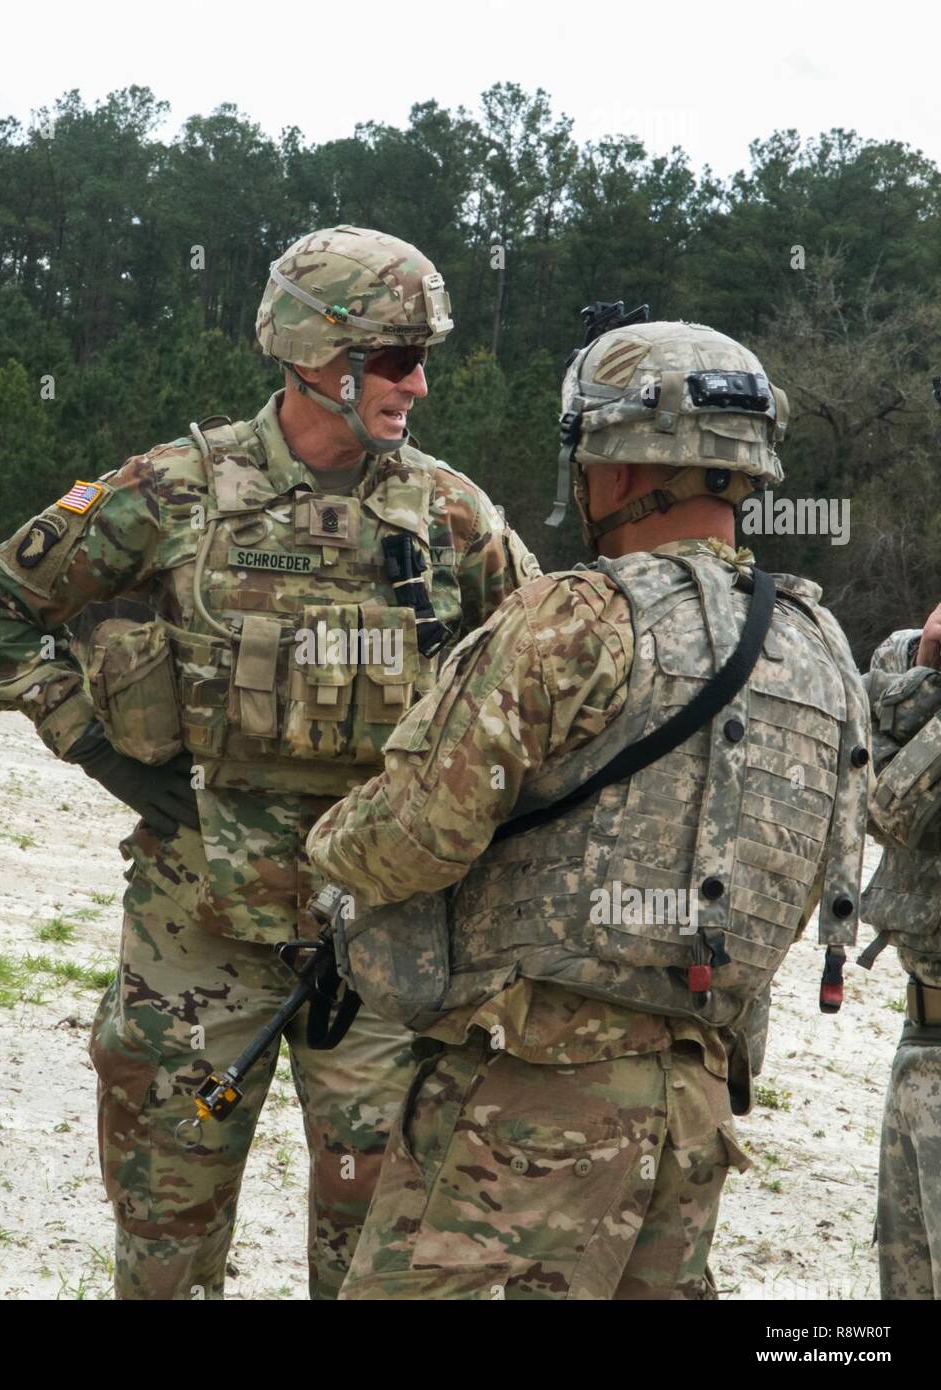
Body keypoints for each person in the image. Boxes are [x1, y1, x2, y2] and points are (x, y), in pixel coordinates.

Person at [0, 225, 540, 1299]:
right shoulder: (174, 488)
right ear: (318, 352)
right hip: (198, 938)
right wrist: (94, 746)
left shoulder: (451, 515)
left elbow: (536, 678)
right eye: (396, 356)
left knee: (381, 1251)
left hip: (380, 949)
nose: (418, 382)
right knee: (165, 1230)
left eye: (421, 357)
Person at [307, 318, 869, 1300]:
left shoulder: (575, 615)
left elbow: (416, 831)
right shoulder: (822, 653)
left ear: (608, 468)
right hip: (695, 1113)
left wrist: (326, 851)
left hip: (530, 1111)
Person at [860, 601, 941, 1299]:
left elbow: (901, 807)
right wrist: (927, 674)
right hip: (920, 1033)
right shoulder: (905, 658)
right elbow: (869, 797)